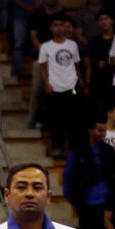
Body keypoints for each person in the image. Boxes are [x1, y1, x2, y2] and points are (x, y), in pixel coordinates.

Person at [38, 13, 83, 158]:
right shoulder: (46, 46)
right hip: (55, 86)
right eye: (56, 25)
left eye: (62, 25)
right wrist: (46, 83)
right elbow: (42, 67)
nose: (59, 28)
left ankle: (73, 148)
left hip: (72, 86)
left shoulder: (73, 45)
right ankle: (57, 147)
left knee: (74, 119)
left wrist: (80, 79)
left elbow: (76, 64)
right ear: (51, 28)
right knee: (56, 119)